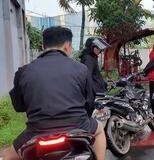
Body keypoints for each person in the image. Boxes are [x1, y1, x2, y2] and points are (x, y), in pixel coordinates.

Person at [5, 26, 106, 160]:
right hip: (78, 125)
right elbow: (89, 103)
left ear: (43, 45)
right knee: (99, 131)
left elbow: (18, 107)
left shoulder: (24, 71)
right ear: (67, 46)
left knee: (7, 156)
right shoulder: (81, 69)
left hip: (36, 130)